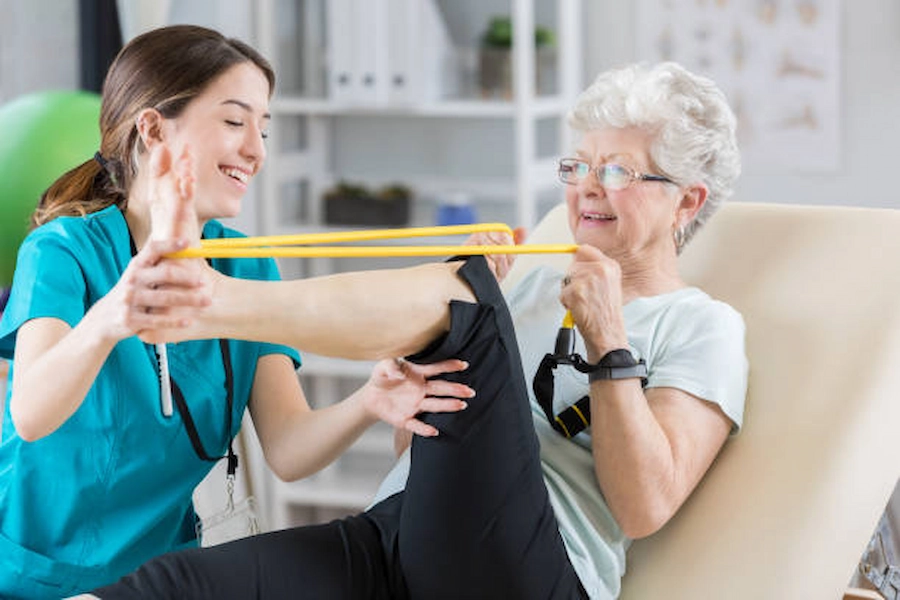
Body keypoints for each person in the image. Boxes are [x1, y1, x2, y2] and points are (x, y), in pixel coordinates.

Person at [82, 60, 748, 599]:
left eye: (617, 172)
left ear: (686, 200)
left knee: (467, 302)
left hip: (531, 573)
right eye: (576, 167)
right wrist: (411, 375)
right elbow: (416, 445)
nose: (585, 190)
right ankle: (203, 298)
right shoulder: (533, 282)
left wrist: (609, 345)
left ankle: (203, 301)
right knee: (170, 588)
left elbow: (645, 508)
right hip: (403, 535)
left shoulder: (703, 326)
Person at [0, 25, 473, 599]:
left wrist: (369, 403)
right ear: (152, 128)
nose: (257, 149)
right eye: (234, 121)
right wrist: (112, 317)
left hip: (161, 580)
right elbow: (29, 413)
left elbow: (290, 449)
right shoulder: (64, 251)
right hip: (34, 577)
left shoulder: (248, 269)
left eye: (263, 128)